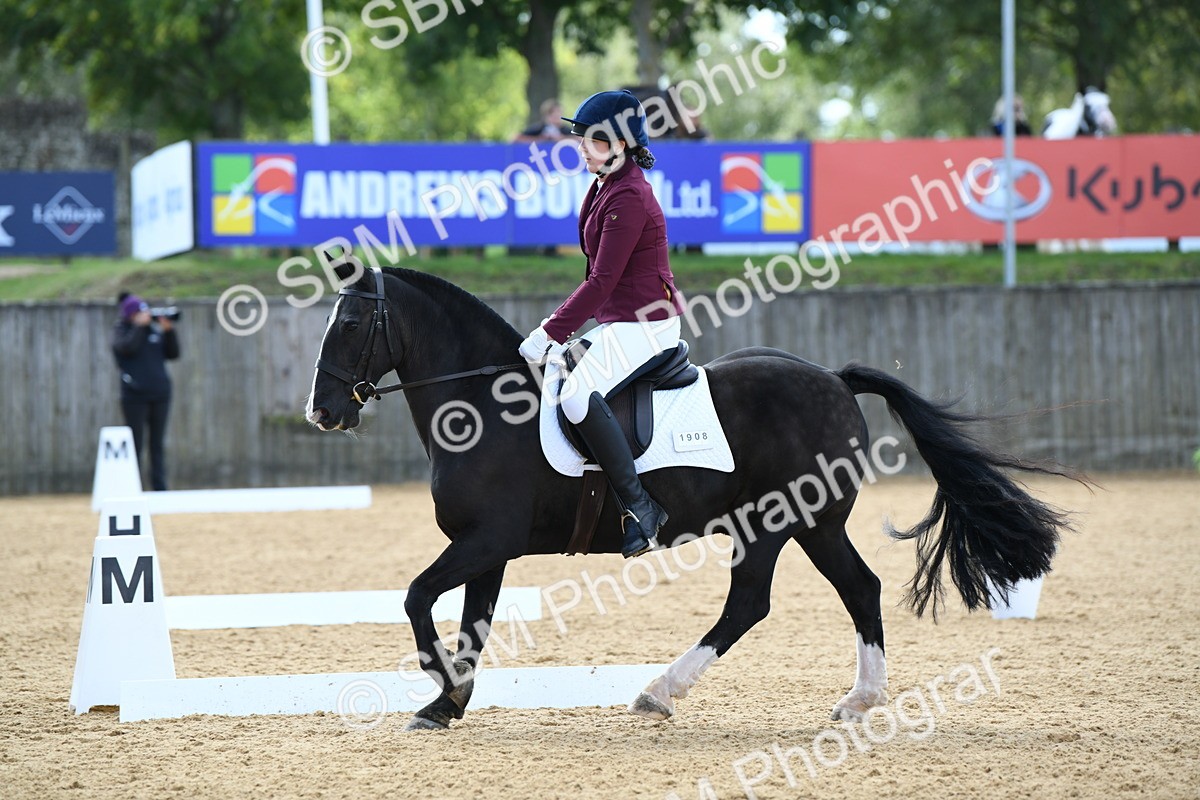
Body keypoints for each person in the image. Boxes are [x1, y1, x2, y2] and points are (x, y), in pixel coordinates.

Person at [518, 89, 684, 559]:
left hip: (646, 324)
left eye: (591, 139)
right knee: (556, 374)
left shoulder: (629, 195)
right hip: (618, 320)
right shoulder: (603, 185)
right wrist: (560, 333)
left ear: (620, 142)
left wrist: (550, 331)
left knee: (574, 394)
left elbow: (603, 279)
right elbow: (596, 279)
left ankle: (641, 509)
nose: (581, 146)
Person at [111, 292, 180, 490]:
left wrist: (169, 331)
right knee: (135, 445)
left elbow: (173, 353)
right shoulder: (121, 331)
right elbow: (127, 349)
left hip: (160, 394)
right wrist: (139, 327)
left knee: (157, 445)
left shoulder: (154, 330)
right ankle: (134, 487)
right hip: (134, 396)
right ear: (131, 314)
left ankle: (160, 488)